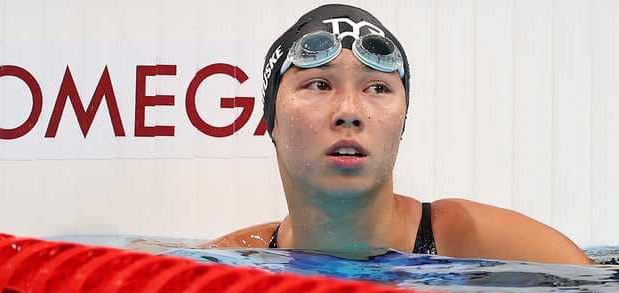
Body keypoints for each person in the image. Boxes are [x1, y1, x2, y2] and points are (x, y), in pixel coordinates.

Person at [207, 4, 591, 265]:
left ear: (403, 121)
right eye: (319, 85)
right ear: (270, 118)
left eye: (377, 88)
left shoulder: (477, 243)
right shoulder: (231, 265)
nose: (349, 113)